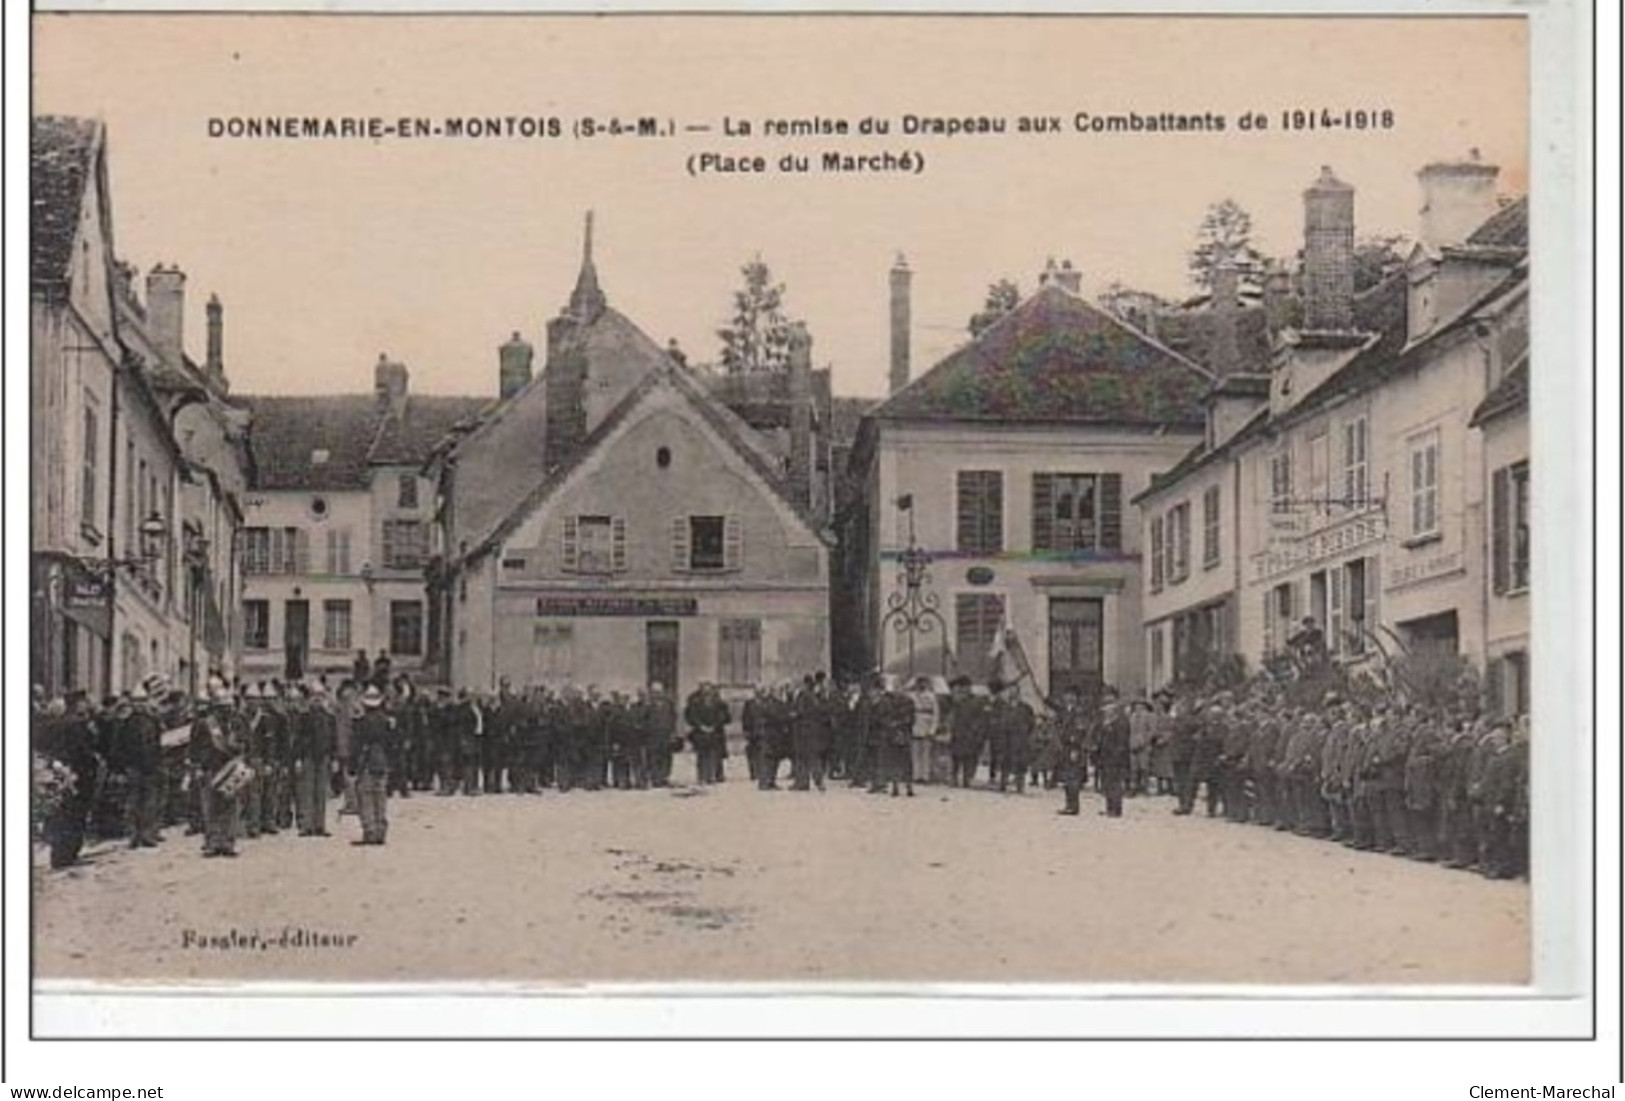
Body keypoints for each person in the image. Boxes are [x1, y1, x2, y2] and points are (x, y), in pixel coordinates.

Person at [189, 682, 241, 858]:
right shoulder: (205, 724)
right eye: (221, 708)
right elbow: (194, 747)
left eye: (227, 707)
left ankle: (228, 841)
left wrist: (238, 748)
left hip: (230, 768)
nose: (225, 711)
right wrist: (196, 766)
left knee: (230, 806)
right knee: (210, 807)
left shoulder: (236, 724)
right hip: (210, 767)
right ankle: (212, 842)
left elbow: (246, 743)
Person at [122, 677, 166, 848]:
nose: (139, 705)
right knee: (133, 802)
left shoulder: (152, 720)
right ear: (132, 703)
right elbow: (120, 744)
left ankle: (147, 835)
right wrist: (123, 765)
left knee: (150, 802)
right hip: (134, 766)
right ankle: (133, 835)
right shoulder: (126, 721)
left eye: (142, 702)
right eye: (136, 702)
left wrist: (157, 761)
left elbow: (157, 742)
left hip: (151, 766)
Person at [352, 685, 394, 845]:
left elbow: (356, 745)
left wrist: (352, 765)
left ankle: (369, 831)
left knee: (366, 796)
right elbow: (392, 743)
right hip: (383, 762)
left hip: (367, 762)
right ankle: (380, 830)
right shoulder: (386, 722)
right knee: (380, 796)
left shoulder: (361, 723)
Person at [294, 682, 334, 836]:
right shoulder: (304, 717)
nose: (317, 699)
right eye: (314, 696)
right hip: (308, 755)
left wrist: (333, 757)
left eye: (320, 696)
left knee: (321, 792)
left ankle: (319, 824)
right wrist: (297, 757)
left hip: (323, 756)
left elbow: (332, 738)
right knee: (307, 791)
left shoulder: (329, 717)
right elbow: (297, 738)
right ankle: (307, 825)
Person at [1096, 687, 1131, 817]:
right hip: (1105, 756)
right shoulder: (1105, 720)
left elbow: (1122, 741)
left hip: (1116, 757)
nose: (1107, 706)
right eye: (1105, 703)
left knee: (1114, 783)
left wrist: (1117, 755)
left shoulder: (1121, 720)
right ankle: (1110, 807)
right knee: (1107, 782)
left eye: (1110, 702)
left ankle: (1115, 809)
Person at [1054, 690, 1088, 817]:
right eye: (1066, 695)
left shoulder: (1079, 713)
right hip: (1064, 747)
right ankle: (1068, 804)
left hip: (1073, 747)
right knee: (1066, 778)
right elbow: (1057, 727)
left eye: (1071, 696)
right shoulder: (1062, 712)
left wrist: (1075, 748)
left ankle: (1074, 806)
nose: (1068, 698)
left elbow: (1080, 731)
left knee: (1073, 778)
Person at [908, 677, 938, 788]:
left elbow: (935, 714)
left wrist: (932, 729)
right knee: (915, 753)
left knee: (926, 753)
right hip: (915, 725)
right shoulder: (912, 696)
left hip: (926, 725)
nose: (920, 685)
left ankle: (925, 776)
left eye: (923, 683)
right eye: (918, 683)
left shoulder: (931, 697)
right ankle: (916, 775)